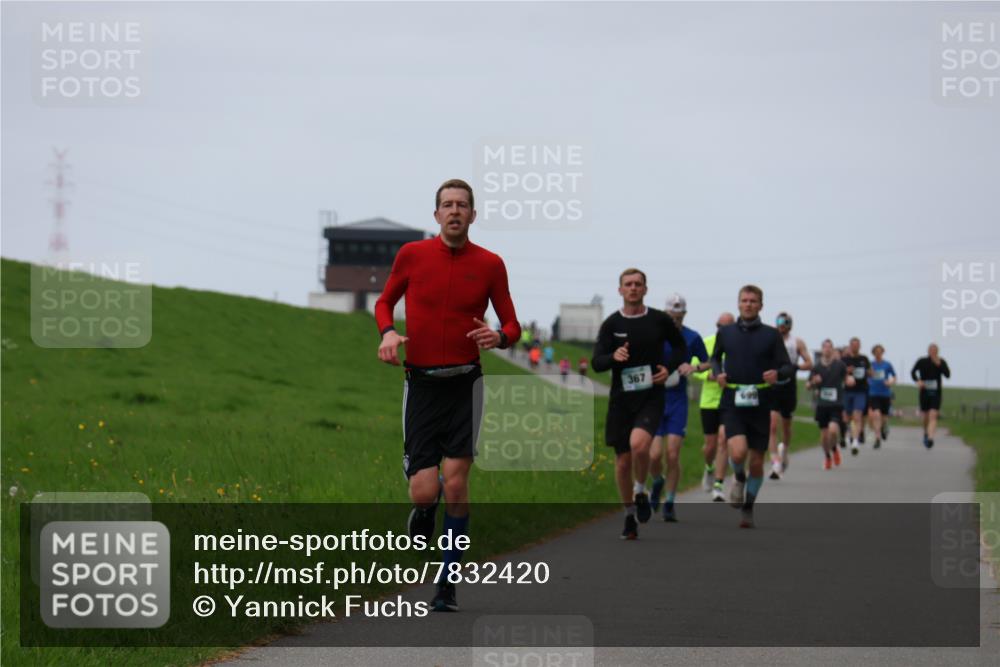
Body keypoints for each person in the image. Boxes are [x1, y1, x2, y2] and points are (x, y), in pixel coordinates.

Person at [375, 178, 521, 612]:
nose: (455, 211)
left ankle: (447, 582)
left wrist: (500, 336)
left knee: (457, 484)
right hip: (421, 383)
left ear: (473, 215)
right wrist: (387, 333)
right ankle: (423, 509)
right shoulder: (412, 255)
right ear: (436, 214)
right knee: (424, 490)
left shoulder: (491, 263)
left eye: (462, 205)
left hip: (465, 383)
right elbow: (385, 302)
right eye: (447, 205)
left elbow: (512, 323)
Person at [592, 268, 686, 540]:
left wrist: (668, 368)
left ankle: (641, 488)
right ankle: (628, 515)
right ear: (620, 290)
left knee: (639, 444)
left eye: (638, 284)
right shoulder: (611, 324)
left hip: (650, 396)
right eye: (628, 284)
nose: (633, 288)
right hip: (621, 400)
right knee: (622, 462)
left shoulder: (659, 320)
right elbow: (597, 362)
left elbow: (680, 349)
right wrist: (614, 356)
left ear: (645, 289)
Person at [710, 285, 794, 529]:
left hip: (760, 402)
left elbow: (787, 367)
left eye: (753, 301)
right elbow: (715, 358)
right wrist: (718, 373)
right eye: (744, 300)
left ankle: (748, 507)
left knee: (757, 461)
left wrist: (776, 374)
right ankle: (738, 476)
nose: (748, 304)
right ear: (738, 304)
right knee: (737, 452)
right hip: (733, 400)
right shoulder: (726, 332)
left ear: (760, 306)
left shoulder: (771, 335)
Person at [648, 293, 709, 522]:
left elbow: (707, 362)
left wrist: (693, 367)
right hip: (654, 398)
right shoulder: (654, 335)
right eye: (670, 316)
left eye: (678, 316)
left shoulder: (692, 337)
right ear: (664, 314)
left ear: (684, 314)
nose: (674, 320)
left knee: (673, 454)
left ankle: (670, 502)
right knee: (654, 455)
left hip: (677, 401)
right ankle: (657, 482)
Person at [691, 311, 735, 501]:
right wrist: (707, 375)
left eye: (727, 327)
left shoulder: (738, 344)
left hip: (730, 399)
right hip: (709, 401)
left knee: (723, 440)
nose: (722, 330)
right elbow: (694, 367)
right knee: (709, 446)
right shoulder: (707, 342)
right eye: (720, 326)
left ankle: (719, 484)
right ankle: (709, 467)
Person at [767, 312, 813, 479]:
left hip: (788, 387)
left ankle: (784, 452)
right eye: (779, 322)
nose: (782, 325)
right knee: (771, 425)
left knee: (786, 427)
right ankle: (775, 462)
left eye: (785, 322)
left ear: (790, 325)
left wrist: (796, 367)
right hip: (772, 386)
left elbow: (809, 363)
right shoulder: (770, 339)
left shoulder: (797, 342)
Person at [809, 339, 849, 470]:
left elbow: (847, 378)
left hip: (836, 404)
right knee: (824, 435)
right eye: (824, 347)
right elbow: (808, 385)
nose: (827, 349)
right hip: (822, 405)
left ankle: (834, 449)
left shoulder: (840, 365)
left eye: (829, 347)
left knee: (832, 431)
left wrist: (850, 380)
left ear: (832, 349)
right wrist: (814, 382)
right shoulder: (816, 367)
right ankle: (827, 457)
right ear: (822, 350)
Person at [911, 344, 951, 448]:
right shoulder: (922, 361)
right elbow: (913, 372)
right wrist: (918, 381)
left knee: (933, 415)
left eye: (935, 350)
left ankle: (930, 438)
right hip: (924, 392)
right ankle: (925, 432)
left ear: (938, 352)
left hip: (936, 393)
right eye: (931, 350)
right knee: (925, 416)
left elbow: (947, 375)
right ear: (928, 351)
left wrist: (939, 365)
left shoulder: (941, 361)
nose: (933, 352)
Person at [841, 337, 871, 456]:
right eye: (853, 345)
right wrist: (847, 371)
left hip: (860, 391)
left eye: (857, 345)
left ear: (859, 346)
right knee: (846, 417)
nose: (855, 347)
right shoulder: (844, 360)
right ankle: (847, 432)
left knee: (857, 415)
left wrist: (868, 372)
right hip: (847, 391)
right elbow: (838, 374)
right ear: (850, 346)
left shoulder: (864, 359)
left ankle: (855, 441)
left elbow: (870, 372)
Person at [867, 344, 896, 448]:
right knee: (876, 415)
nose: (878, 354)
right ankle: (877, 438)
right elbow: (866, 376)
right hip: (873, 394)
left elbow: (894, 376)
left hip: (885, 394)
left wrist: (890, 382)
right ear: (873, 353)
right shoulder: (870, 365)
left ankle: (884, 427)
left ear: (883, 352)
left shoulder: (887, 365)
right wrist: (869, 380)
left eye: (880, 352)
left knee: (884, 417)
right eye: (876, 352)